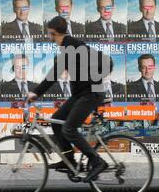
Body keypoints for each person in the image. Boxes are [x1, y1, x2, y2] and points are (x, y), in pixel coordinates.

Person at [27, 16, 111, 183]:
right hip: (81, 94)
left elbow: (55, 73)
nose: (49, 39)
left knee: (69, 129)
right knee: (56, 121)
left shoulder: (71, 46)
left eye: (49, 35)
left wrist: (36, 93)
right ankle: (69, 160)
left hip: (91, 94)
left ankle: (98, 162)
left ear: (53, 32)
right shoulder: (69, 46)